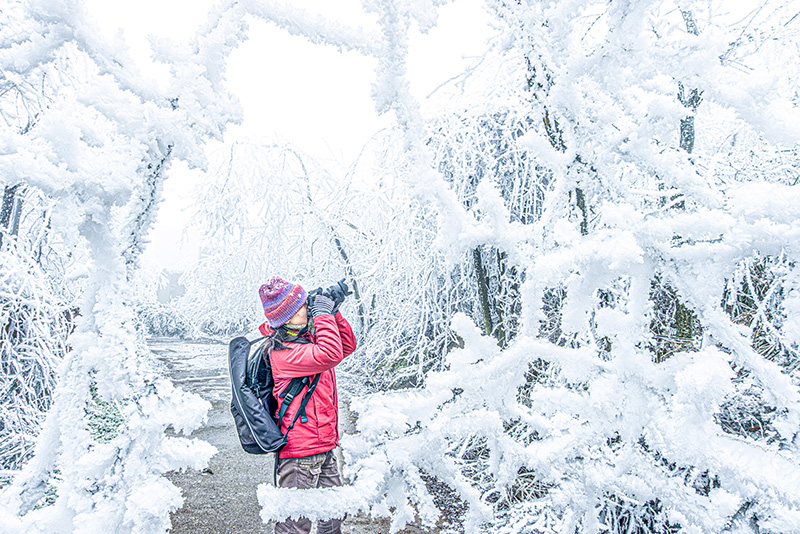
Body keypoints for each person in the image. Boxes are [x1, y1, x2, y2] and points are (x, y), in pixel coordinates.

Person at [257, 276, 357, 534]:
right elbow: (330, 354)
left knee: (333, 515)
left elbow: (345, 346)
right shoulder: (283, 353)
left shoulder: (304, 340)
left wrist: (332, 312)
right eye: (302, 306)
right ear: (287, 318)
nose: (308, 308)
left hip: (323, 444)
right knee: (295, 525)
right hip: (300, 452)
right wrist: (322, 313)